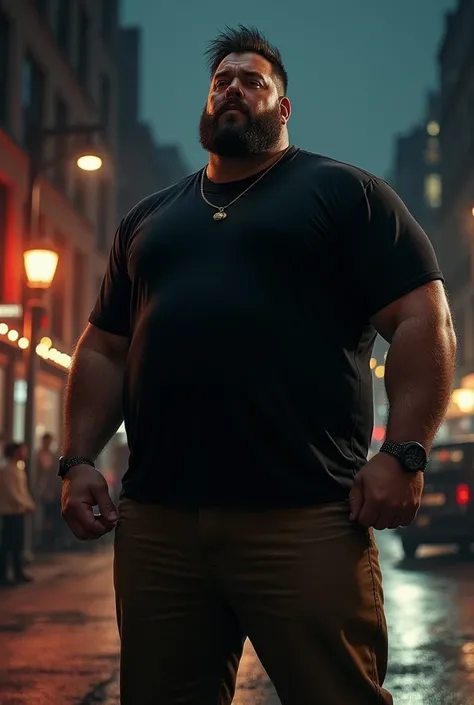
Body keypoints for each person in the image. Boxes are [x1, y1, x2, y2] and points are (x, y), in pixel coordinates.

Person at [60, 25, 456, 705]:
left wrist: (406, 452)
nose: (233, 89)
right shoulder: (148, 221)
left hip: (305, 516)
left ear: (283, 108)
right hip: (160, 522)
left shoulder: (347, 196)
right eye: (221, 81)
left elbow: (425, 321)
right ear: (207, 104)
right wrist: (76, 460)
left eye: (252, 80)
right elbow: (103, 347)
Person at [0, 442, 35, 586]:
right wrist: (25, 504)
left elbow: (22, 491)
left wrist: (29, 504)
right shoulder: (7, 469)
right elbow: (11, 493)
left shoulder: (18, 468)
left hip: (19, 511)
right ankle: (3, 576)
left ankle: (18, 572)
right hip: (10, 511)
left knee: (18, 544)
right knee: (8, 544)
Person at [37, 432, 60, 549]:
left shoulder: (54, 456)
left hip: (51, 492)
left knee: (49, 516)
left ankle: (49, 541)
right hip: (39, 490)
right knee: (41, 516)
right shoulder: (37, 455)